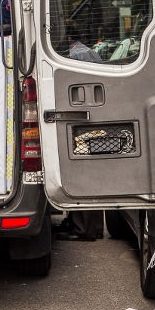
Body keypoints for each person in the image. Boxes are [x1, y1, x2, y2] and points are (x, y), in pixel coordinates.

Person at [57, 20, 104, 241]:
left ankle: (82, 228)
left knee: (77, 172)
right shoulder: (93, 53)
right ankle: (94, 227)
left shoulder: (70, 56)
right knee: (93, 173)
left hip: (77, 120)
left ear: (67, 38)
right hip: (97, 117)